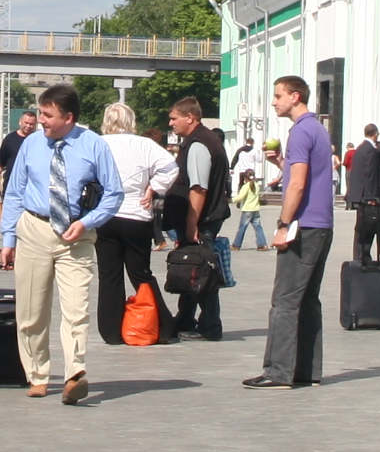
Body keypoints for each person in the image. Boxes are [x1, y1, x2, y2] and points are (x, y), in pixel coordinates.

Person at [0, 83, 123, 405]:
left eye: (47, 115)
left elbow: (113, 194)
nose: (41, 120)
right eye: (40, 112)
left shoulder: (94, 145)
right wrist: (7, 238)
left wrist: (87, 222)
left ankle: (74, 374)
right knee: (31, 312)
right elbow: (14, 192)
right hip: (35, 230)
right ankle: (37, 374)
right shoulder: (31, 145)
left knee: (76, 310)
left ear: (68, 117)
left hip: (76, 236)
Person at [247, 76, 334, 389]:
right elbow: (308, 176)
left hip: (303, 226)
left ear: (295, 96)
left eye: (278, 95)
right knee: (308, 299)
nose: (274, 102)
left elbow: (297, 184)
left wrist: (283, 224)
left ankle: (278, 371)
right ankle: (306, 370)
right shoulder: (319, 130)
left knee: (284, 300)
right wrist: (282, 162)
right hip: (322, 225)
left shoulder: (299, 132)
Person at [95, 103, 179, 345]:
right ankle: (162, 326)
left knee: (109, 275)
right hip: (137, 213)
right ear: (131, 121)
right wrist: (154, 187)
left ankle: (110, 332)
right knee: (141, 273)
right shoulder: (144, 144)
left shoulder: (98, 143)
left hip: (106, 215)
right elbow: (171, 168)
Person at [165, 96, 231, 341]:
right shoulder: (202, 140)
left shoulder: (199, 144)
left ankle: (210, 325)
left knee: (203, 271)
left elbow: (198, 188)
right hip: (205, 218)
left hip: (202, 220)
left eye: (174, 118)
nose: (171, 123)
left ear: (189, 118)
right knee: (193, 268)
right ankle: (185, 319)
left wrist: (192, 223)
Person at [347, 123, 380, 263]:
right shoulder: (370, 150)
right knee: (367, 227)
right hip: (367, 196)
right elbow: (370, 174)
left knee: (361, 227)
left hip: (360, 194)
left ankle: (359, 255)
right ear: (375, 134)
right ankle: (363, 255)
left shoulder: (360, 148)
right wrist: (372, 196)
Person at [0, 109, 37, 197]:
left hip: (31, 188)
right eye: (26, 123)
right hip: (11, 186)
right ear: (20, 122)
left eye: (31, 124)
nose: (28, 126)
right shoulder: (10, 139)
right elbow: (0, 162)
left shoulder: (37, 140)